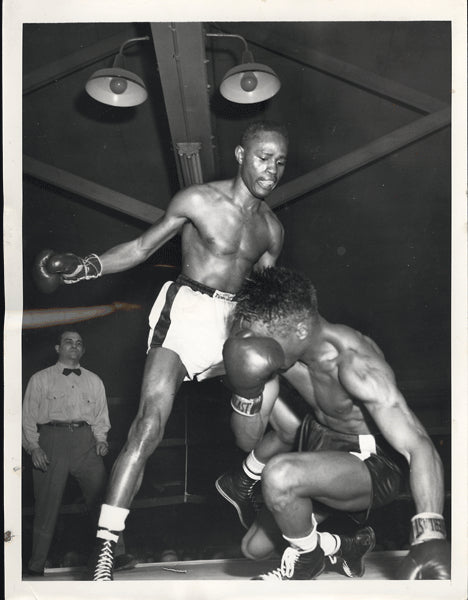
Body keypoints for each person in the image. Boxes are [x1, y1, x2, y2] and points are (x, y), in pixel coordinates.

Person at [33, 121, 289, 580]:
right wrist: (88, 266)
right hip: (186, 312)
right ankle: (106, 546)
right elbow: (140, 247)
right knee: (149, 424)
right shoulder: (198, 200)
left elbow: (269, 297)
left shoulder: (271, 229)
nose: (271, 169)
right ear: (240, 154)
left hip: (236, 324)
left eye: (280, 161)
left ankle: (245, 477)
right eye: (263, 157)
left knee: (286, 423)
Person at [216, 266, 450, 580]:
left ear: (299, 329)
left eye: (264, 338)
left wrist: (430, 533)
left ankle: (307, 560)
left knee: (279, 475)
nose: (258, 346)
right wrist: (246, 391)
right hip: (321, 447)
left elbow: (418, 444)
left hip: (371, 464)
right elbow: (247, 439)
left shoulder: (354, 361)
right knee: (253, 548)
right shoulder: (276, 354)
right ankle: (341, 546)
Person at [22, 329, 111, 576]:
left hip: (86, 442)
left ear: (83, 350)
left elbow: (101, 417)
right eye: (68, 342)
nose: (74, 346)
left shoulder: (94, 380)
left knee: (104, 499)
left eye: (79, 343)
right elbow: (27, 418)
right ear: (57, 348)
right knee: (46, 506)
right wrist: (34, 447)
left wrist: (101, 440)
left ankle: (116, 555)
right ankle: (36, 564)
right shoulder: (40, 379)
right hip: (51, 440)